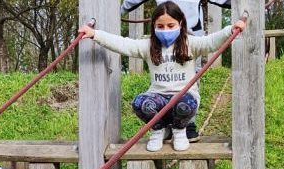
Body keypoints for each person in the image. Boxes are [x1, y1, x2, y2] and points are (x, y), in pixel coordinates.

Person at [80, 1, 245, 151]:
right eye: (161, 26)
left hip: (183, 97)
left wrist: (230, 29)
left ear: (180, 24)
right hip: (158, 97)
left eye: (170, 25)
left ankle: (180, 130)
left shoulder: (190, 43)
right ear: (154, 26)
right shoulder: (148, 46)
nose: (166, 30)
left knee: (184, 103)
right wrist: (95, 34)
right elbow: (123, 44)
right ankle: (159, 129)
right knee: (140, 103)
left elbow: (211, 41)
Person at [120, 0, 232, 142]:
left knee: (190, 81)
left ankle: (188, 124)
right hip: (164, 38)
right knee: (165, 82)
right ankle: (165, 124)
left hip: (190, 37)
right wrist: (119, 10)